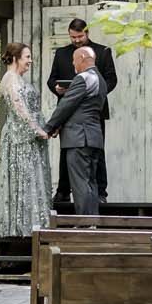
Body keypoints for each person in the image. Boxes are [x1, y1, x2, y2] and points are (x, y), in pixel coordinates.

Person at [46, 17, 117, 210]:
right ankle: (63, 190)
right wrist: (57, 88)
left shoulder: (101, 52)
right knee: (68, 152)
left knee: (95, 153)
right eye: (72, 37)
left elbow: (111, 80)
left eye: (80, 36)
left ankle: (101, 193)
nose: (76, 40)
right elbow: (51, 80)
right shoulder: (61, 54)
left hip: (94, 111)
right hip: (68, 113)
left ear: (87, 33)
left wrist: (92, 95)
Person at [0, 43, 54, 238]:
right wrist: (36, 129)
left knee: (32, 177)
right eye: (27, 57)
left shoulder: (18, 78)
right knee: (23, 177)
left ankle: (33, 222)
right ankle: (21, 226)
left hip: (29, 137)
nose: (30, 61)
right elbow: (19, 108)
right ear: (16, 58)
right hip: (20, 137)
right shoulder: (10, 79)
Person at [38, 44, 109, 218]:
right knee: (91, 184)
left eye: (74, 60)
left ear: (83, 58)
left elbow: (66, 105)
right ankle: (92, 223)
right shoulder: (99, 79)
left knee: (80, 185)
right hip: (93, 137)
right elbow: (81, 107)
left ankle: (84, 225)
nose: (73, 65)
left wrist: (48, 128)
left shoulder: (83, 78)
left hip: (79, 139)